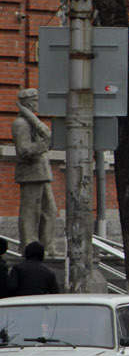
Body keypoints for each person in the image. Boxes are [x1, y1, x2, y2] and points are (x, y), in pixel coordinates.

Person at [13, 89, 58, 251]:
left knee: (50, 210)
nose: (38, 103)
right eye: (35, 100)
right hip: (30, 174)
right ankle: (29, 246)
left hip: (41, 173)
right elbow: (24, 149)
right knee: (30, 212)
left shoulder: (32, 121)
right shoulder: (21, 124)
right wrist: (43, 145)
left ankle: (46, 246)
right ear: (27, 102)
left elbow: (47, 135)